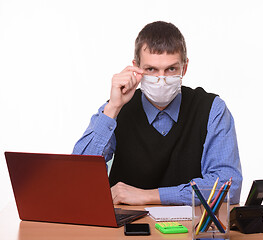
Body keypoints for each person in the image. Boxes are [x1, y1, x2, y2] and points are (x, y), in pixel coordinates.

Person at [73, 21, 242, 206]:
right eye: (151, 69)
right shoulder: (116, 108)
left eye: (171, 69)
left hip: (188, 228)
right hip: (125, 229)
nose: (161, 79)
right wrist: (113, 107)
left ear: (184, 68)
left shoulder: (211, 109)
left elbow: (228, 186)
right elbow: (78, 177)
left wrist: (148, 196)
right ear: (136, 68)